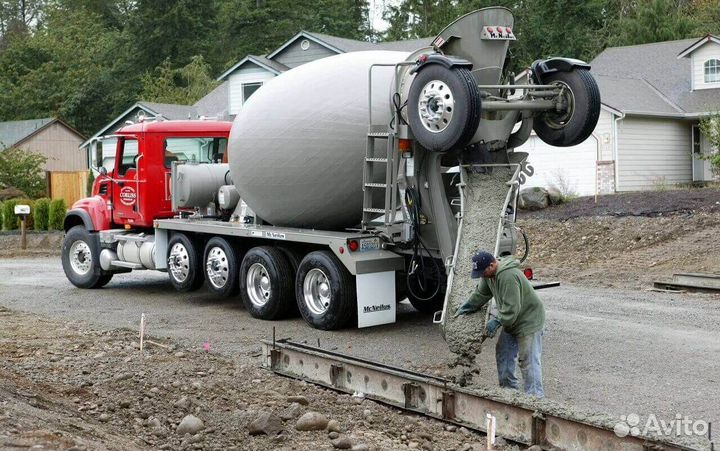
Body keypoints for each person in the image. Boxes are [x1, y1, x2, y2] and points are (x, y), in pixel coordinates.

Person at [454, 251, 545, 397]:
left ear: (491, 265)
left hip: (529, 320)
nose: (481, 276)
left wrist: (496, 321)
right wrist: (468, 306)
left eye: (482, 272)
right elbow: (481, 294)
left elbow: (511, 309)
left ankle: (536, 400)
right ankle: (509, 393)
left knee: (528, 361)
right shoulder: (489, 275)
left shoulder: (507, 275)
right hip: (512, 320)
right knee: (504, 353)